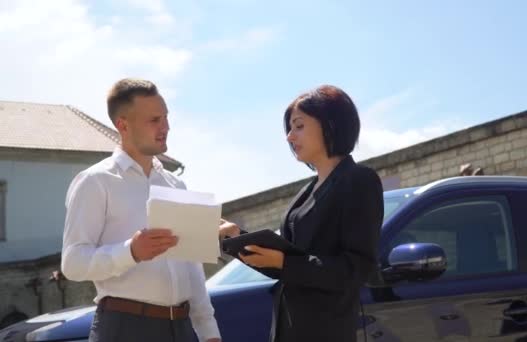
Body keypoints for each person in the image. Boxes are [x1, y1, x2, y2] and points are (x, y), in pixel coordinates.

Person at [61, 78, 231, 342]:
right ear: (123, 125)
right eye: (154, 120)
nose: (166, 127)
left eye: (165, 117)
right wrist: (131, 251)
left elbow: (191, 265)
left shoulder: (176, 184)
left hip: (182, 329)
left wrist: (209, 332)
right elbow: (72, 264)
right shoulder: (95, 181)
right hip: (125, 329)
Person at [231, 85, 384, 341]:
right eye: (289, 128)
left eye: (299, 126)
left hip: (327, 330)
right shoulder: (306, 191)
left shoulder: (359, 180)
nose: (290, 137)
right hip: (288, 330)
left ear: (330, 124)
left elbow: (356, 268)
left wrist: (284, 262)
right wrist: (238, 238)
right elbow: (290, 262)